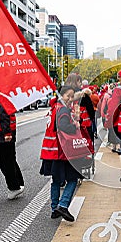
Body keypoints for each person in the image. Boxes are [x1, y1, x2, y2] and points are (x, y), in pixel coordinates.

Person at [40, 85, 83, 221]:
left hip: (52, 151)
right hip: (62, 152)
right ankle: (63, 205)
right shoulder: (63, 110)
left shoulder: (55, 107)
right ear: (61, 96)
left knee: (56, 181)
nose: (70, 99)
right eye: (67, 96)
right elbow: (63, 126)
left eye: (72, 96)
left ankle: (54, 209)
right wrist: (75, 124)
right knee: (72, 178)